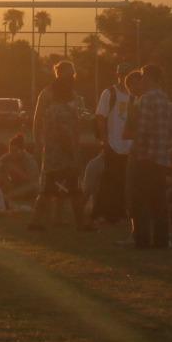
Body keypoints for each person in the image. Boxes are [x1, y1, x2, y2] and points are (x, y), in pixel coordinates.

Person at [30, 61, 90, 232]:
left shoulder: (74, 96)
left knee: (73, 186)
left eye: (73, 74)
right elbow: (37, 119)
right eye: (69, 74)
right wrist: (37, 142)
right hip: (52, 150)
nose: (72, 77)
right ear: (59, 74)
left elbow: (78, 122)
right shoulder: (46, 94)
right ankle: (36, 222)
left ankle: (76, 222)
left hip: (70, 149)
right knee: (48, 186)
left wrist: (77, 144)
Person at [124, 67, 172, 249]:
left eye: (144, 76)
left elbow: (142, 130)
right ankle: (162, 240)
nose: (142, 80)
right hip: (161, 157)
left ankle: (142, 239)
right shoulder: (165, 99)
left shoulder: (146, 99)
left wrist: (136, 152)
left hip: (144, 157)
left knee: (139, 201)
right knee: (159, 201)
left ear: (150, 78)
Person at [91, 62, 137, 226]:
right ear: (118, 75)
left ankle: (119, 214)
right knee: (109, 180)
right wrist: (105, 140)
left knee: (124, 181)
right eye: (122, 74)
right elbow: (100, 117)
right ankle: (102, 213)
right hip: (113, 144)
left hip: (129, 147)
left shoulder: (134, 96)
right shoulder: (109, 93)